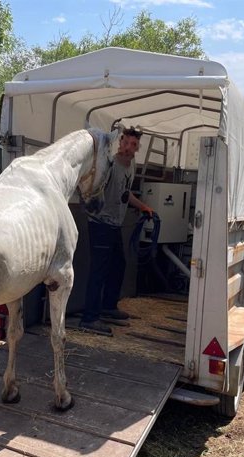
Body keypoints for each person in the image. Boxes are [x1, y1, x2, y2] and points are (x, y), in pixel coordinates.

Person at [79, 126, 154, 335]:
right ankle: (89, 318)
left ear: (137, 147)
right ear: (120, 142)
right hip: (101, 222)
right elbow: (91, 185)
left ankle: (108, 307)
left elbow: (126, 193)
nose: (129, 148)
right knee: (98, 271)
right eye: (126, 143)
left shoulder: (132, 165)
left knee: (118, 265)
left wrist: (143, 207)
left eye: (134, 145)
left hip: (115, 224)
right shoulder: (110, 164)